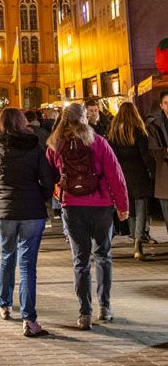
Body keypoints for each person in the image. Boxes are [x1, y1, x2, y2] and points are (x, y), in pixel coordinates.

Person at [46, 102, 129, 329]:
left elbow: (51, 170)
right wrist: (122, 206)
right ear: (84, 118)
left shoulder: (55, 145)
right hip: (101, 206)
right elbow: (116, 176)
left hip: (71, 206)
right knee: (103, 255)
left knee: (80, 261)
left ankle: (84, 312)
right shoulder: (99, 142)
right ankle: (105, 307)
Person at [0, 107, 58, 338]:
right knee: (27, 265)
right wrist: (44, 199)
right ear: (22, 122)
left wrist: (2, 189)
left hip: (4, 210)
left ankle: (4, 304)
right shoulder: (35, 147)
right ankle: (29, 319)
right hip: (32, 209)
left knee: (7, 256)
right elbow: (47, 179)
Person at [108, 101, 154, 260]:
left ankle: (134, 238)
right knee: (142, 210)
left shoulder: (113, 134)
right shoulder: (139, 132)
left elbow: (111, 157)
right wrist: (153, 172)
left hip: (121, 176)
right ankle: (138, 242)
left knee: (130, 210)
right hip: (139, 175)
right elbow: (145, 156)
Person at [146, 89, 168, 233]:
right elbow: (152, 150)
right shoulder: (154, 126)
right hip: (164, 176)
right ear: (161, 105)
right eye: (166, 103)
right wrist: (165, 151)